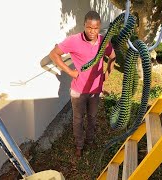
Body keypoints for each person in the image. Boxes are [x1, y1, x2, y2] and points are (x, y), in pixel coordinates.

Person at [49, 10, 116, 157]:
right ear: (84, 25)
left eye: (96, 28)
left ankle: (90, 140)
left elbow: (112, 57)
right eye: (89, 28)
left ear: (99, 27)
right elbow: (54, 54)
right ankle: (79, 145)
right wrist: (70, 72)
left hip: (95, 90)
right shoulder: (73, 40)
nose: (92, 32)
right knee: (78, 119)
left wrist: (106, 76)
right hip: (78, 90)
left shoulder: (103, 41)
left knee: (92, 117)